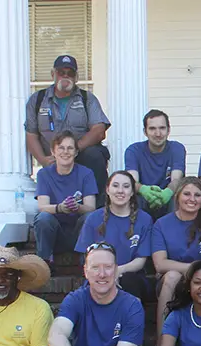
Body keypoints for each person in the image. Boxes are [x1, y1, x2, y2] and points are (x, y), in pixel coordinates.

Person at [25, 55, 111, 204]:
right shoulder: (37, 99)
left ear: (76, 77)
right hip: (52, 159)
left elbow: (99, 130)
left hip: (82, 157)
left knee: (96, 154)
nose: (65, 76)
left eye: (70, 73)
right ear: (53, 74)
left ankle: (98, 209)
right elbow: (31, 135)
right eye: (61, 72)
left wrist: (73, 149)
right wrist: (43, 160)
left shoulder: (87, 99)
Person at [152, 178, 201, 319]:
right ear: (177, 196)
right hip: (171, 280)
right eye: (187, 194)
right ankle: (161, 339)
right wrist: (195, 266)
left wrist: (193, 271)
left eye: (197, 195)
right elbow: (160, 264)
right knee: (173, 276)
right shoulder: (161, 224)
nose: (192, 199)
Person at [75, 171, 153, 300]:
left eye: (126, 186)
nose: (120, 191)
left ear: (133, 192)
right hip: (99, 275)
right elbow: (86, 258)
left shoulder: (144, 220)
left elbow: (140, 261)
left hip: (132, 277)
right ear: (107, 189)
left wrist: (118, 271)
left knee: (129, 281)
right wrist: (106, 274)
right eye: (115, 186)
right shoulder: (93, 218)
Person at [34, 131, 97, 266]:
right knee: (43, 218)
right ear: (53, 152)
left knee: (91, 217)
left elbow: (91, 207)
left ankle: (86, 263)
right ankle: (44, 263)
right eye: (61, 148)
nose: (65, 152)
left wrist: (77, 207)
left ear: (76, 152)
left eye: (70, 148)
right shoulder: (44, 174)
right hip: (55, 233)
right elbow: (42, 206)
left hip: (79, 232)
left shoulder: (86, 173)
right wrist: (60, 208)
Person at [125, 109, 185, 219]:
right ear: (145, 131)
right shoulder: (133, 150)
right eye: (152, 129)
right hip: (143, 200)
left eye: (162, 128)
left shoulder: (177, 148)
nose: (158, 134)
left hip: (168, 198)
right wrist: (144, 190)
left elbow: (176, 179)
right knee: (133, 198)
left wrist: (167, 192)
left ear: (168, 130)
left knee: (178, 198)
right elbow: (132, 181)